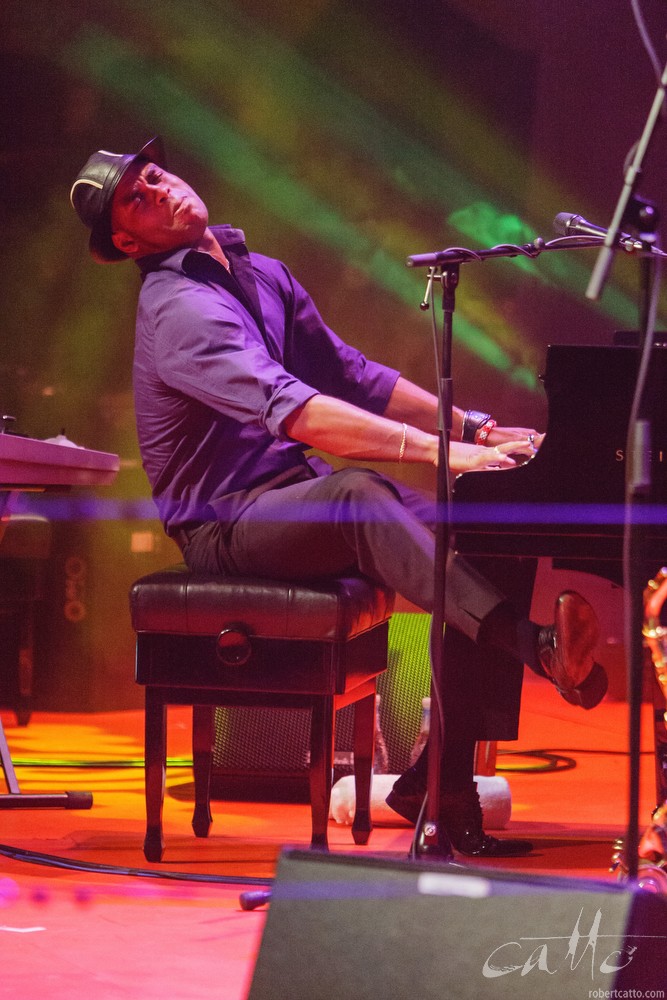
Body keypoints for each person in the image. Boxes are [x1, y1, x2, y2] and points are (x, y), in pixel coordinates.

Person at [70, 137, 608, 858]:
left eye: (155, 175)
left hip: (291, 499)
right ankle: (536, 649)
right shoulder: (180, 310)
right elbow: (300, 411)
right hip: (225, 525)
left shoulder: (258, 274)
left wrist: (470, 426)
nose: (159, 190)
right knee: (357, 495)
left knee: (483, 522)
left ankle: (436, 788)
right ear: (128, 239)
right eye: (136, 198)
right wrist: (449, 454)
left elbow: (348, 374)